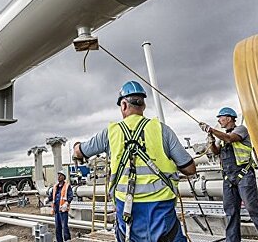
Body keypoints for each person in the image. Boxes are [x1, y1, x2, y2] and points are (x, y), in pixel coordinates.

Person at [73, 81, 196, 242]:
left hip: (128, 211)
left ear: (124, 105)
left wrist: (76, 147)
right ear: (143, 105)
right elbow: (190, 169)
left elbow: (80, 151)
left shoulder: (110, 133)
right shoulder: (162, 130)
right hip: (162, 210)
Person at [200, 107, 258, 242]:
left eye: (221, 117)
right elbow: (215, 152)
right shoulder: (222, 137)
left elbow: (231, 138)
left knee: (253, 209)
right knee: (230, 212)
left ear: (229, 118)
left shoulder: (241, 130)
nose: (219, 120)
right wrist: (211, 138)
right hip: (228, 178)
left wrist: (212, 130)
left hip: (244, 175)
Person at [52, 170, 73, 242]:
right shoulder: (55, 186)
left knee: (64, 227)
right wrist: (47, 199)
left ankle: (67, 240)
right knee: (57, 227)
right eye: (58, 175)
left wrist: (66, 203)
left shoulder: (67, 186)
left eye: (60, 175)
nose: (58, 177)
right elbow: (52, 195)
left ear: (63, 177)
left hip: (63, 210)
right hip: (57, 210)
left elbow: (70, 196)